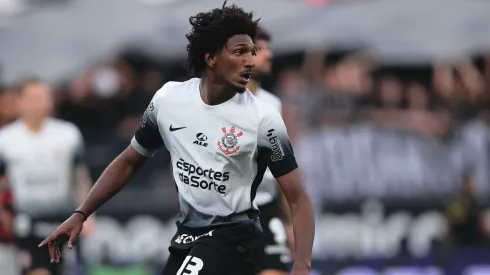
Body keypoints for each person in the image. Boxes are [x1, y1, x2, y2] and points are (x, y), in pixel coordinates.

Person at [39, 2, 315, 275]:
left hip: (236, 238)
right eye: (240, 52)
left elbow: (298, 197)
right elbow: (129, 161)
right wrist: (81, 213)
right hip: (188, 236)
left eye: (252, 52)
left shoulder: (263, 117)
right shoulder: (168, 99)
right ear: (211, 57)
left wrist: (301, 264)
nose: (250, 61)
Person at [0, 79, 93, 275]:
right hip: (26, 221)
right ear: (21, 102)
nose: (39, 103)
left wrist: (88, 213)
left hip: (64, 219)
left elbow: (80, 177)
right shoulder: (6, 139)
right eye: (33, 97)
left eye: (44, 97)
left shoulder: (68, 135)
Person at [247, 28, 294, 275]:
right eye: (261, 49)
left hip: (266, 209)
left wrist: (289, 222)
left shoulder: (273, 104)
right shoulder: (214, 102)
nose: (270, 55)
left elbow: (283, 168)